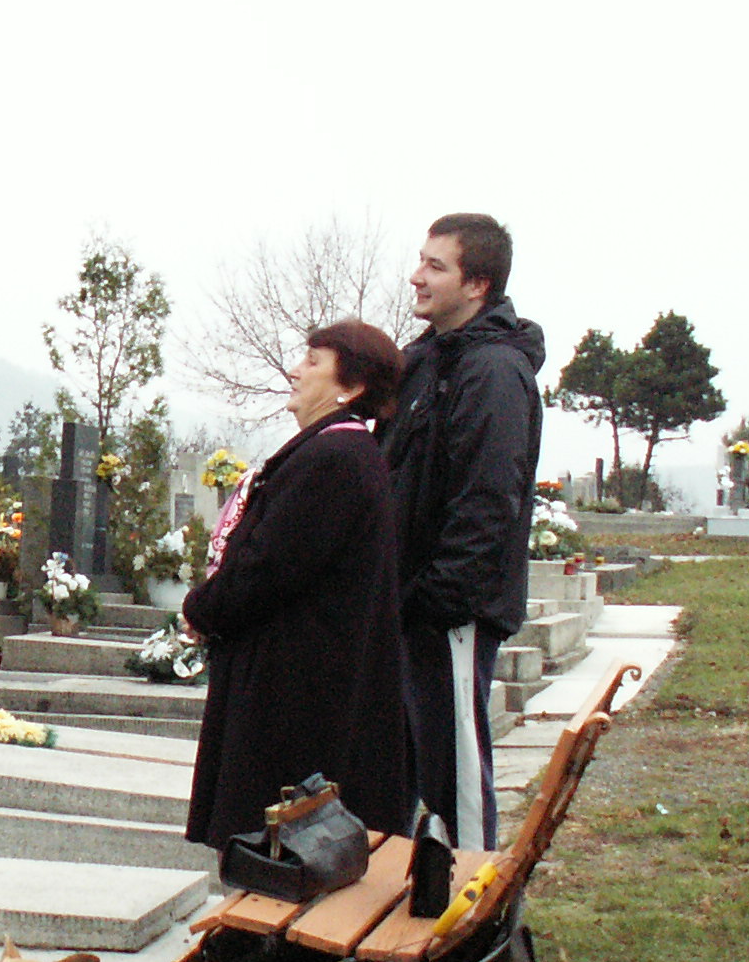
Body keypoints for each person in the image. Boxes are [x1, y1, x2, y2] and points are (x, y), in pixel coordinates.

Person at [182, 321, 410, 850]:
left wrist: (202, 610)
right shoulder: (335, 452)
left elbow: (268, 568)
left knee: (279, 852)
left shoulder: (335, 460)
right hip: (296, 680)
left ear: (350, 387)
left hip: (296, 694)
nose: (295, 371)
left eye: (313, 362)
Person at [379, 214, 545, 851]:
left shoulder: (494, 372)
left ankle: (475, 901)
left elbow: (488, 499)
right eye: (420, 261)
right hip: (409, 605)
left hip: (449, 612)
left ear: (476, 285)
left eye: (435, 266)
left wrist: (437, 598)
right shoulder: (423, 361)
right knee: (403, 776)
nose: (416, 277)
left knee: (456, 783)